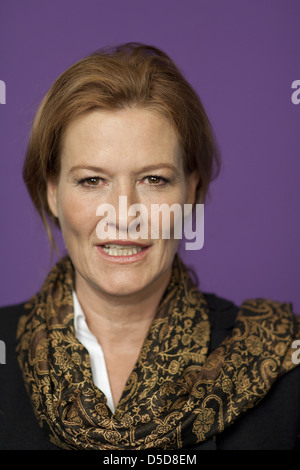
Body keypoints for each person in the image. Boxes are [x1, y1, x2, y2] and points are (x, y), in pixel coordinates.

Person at [0, 43, 299, 451]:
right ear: (52, 192)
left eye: (154, 180)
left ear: (191, 189)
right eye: (92, 180)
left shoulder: (284, 364)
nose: (124, 215)